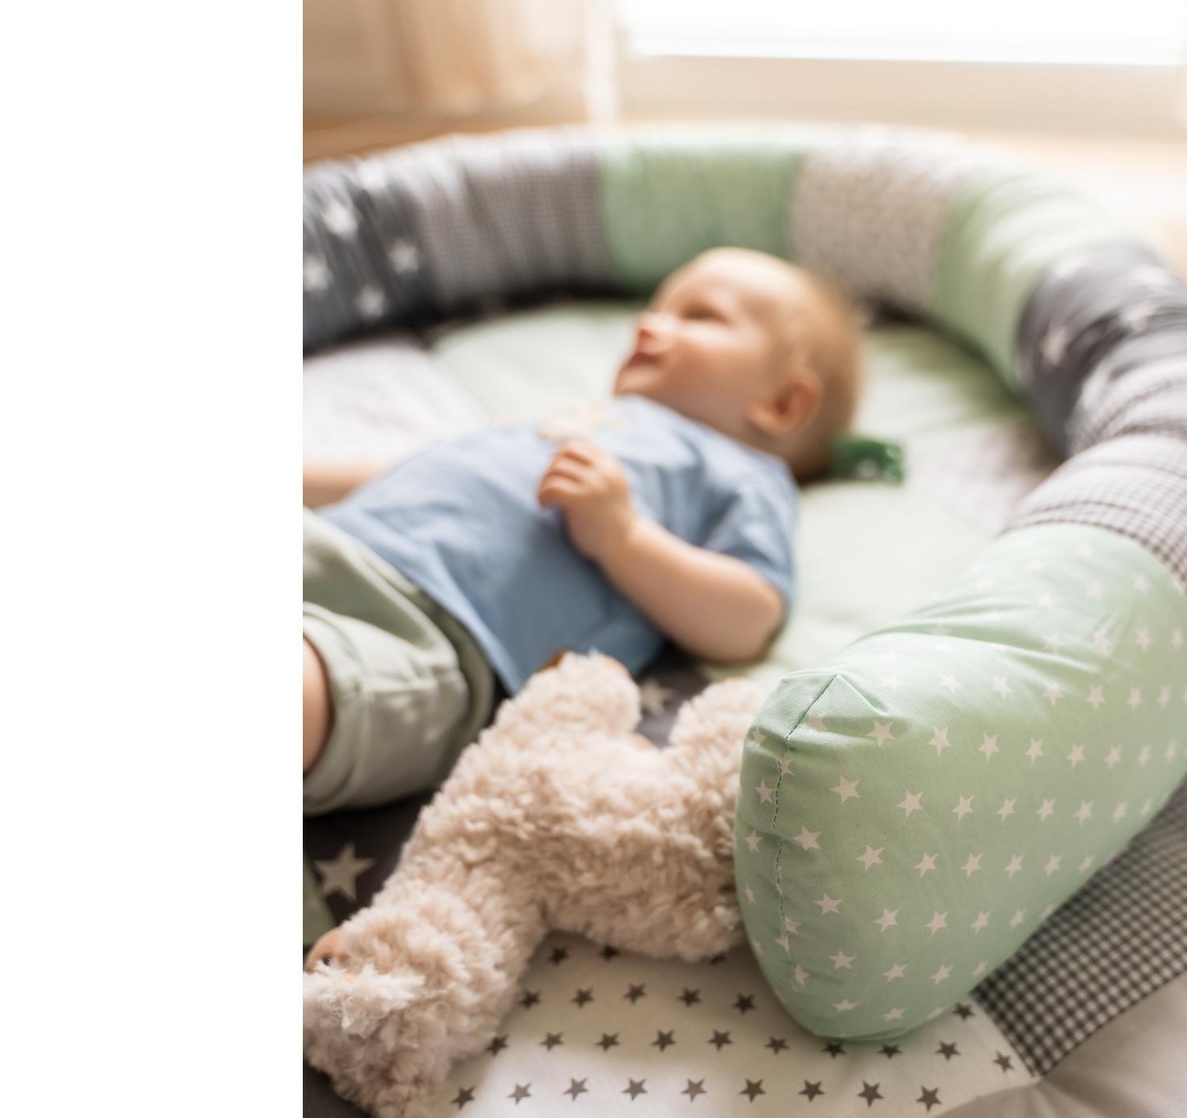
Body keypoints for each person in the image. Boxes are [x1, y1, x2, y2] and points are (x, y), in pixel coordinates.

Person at [302, 246, 863, 816]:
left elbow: (750, 615)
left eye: (699, 315)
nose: (648, 324)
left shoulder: (742, 472)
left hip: (435, 635)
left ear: (782, 404)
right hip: (339, 539)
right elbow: (413, 468)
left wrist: (626, 538)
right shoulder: (580, 419)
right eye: (655, 309)